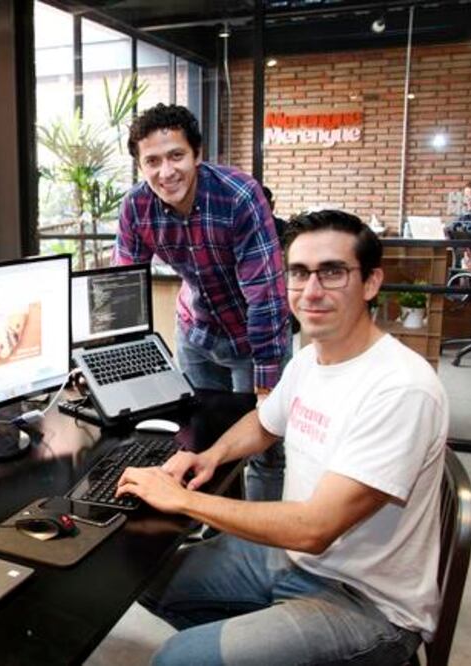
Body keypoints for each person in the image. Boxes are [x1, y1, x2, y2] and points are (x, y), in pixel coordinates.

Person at [117, 209, 447, 665]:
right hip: (291, 559)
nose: (311, 291)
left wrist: (184, 500)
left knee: (179, 660)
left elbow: (314, 528)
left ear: (371, 283)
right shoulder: (311, 358)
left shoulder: (400, 388)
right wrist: (210, 457)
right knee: (144, 576)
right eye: (298, 273)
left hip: (364, 602)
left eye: (332, 273)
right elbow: (265, 422)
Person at [114, 103, 290, 501]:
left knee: (264, 447)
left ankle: (258, 543)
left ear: (197, 154)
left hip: (254, 339)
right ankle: (213, 525)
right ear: (140, 166)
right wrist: (112, 361)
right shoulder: (136, 207)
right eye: (152, 161)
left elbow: (265, 295)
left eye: (176, 156)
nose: (166, 171)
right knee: (197, 441)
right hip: (196, 333)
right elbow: (123, 289)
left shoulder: (238, 195)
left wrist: (266, 384)